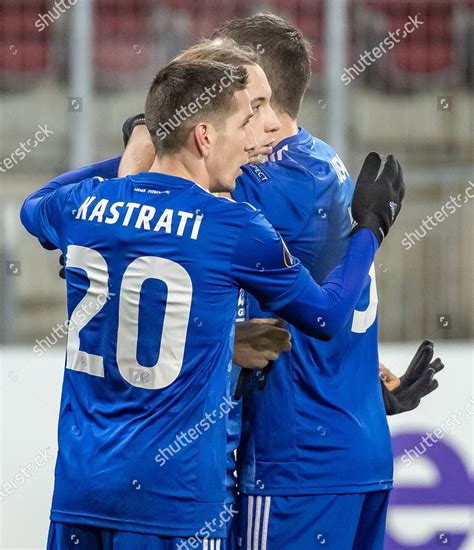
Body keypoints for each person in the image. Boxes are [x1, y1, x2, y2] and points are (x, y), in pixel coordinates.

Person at [20, 52, 404, 550]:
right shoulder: (232, 227)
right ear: (204, 136)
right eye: (244, 123)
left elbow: (34, 207)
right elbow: (326, 316)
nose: (253, 141)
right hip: (174, 504)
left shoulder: (83, 204)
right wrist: (370, 228)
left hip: (80, 493)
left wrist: (147, 144)